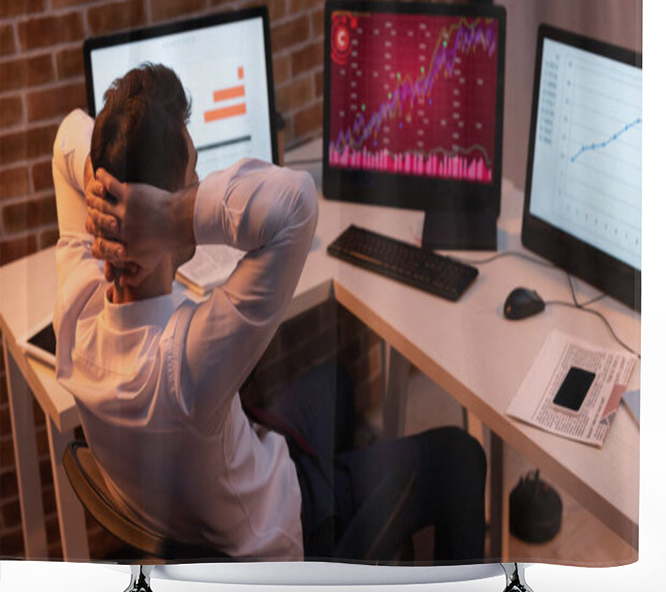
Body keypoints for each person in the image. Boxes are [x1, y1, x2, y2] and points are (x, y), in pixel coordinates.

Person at [53, 62, 486, 563]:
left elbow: (67, 132)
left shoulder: (77, 312)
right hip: (280, 522)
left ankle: (357, 521)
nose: (198, 184)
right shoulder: (184, 367)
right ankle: (335, 535)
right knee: (461, 459)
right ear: (158, 218)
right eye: (191, 181)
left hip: (216, 477)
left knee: (338, 385)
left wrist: (111, 197)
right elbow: (296, 205)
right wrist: (173, 216)